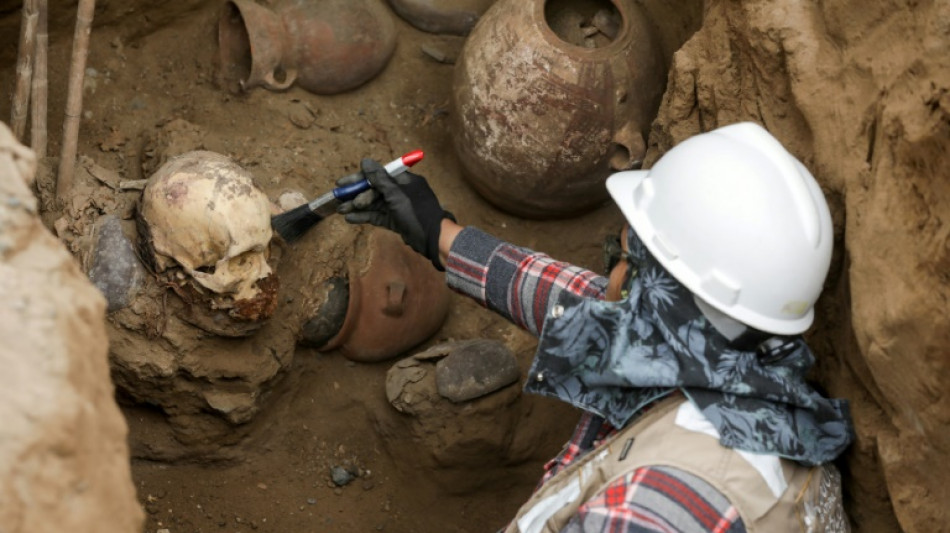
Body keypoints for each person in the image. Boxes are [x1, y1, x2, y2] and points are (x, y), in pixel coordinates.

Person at [337, 122, 855, 532]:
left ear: (652, 292)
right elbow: (580, 305)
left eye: (620, 256)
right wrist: (437, 233)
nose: (608, 273)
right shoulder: (749, 378)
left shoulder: (659, 507)